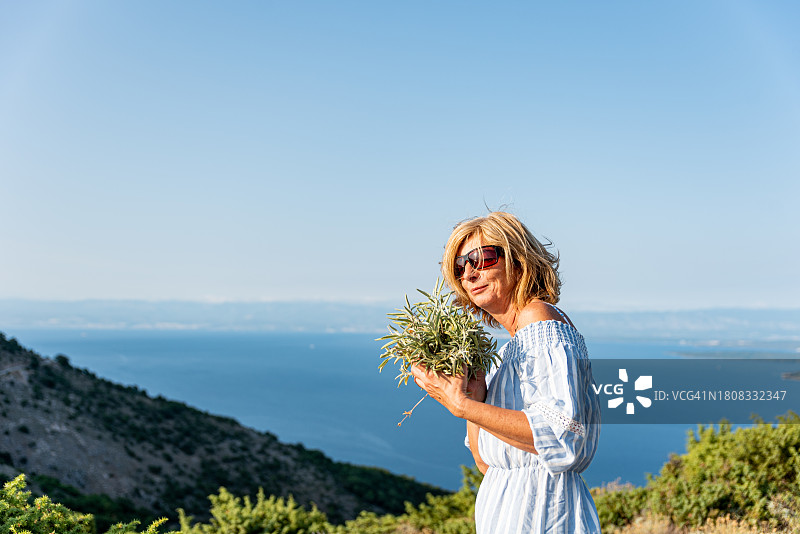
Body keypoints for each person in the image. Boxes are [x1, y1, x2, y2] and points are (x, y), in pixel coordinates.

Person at [410, 212, 601, 534]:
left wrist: (462, 406)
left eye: (482, 258)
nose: (469, 273)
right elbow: (487, 463)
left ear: (519, 260)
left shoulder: (541, 327)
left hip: (544, 513)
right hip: (508, 511)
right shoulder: (511, 347)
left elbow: (563, 437)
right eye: (460, 266)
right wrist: (475, 396)